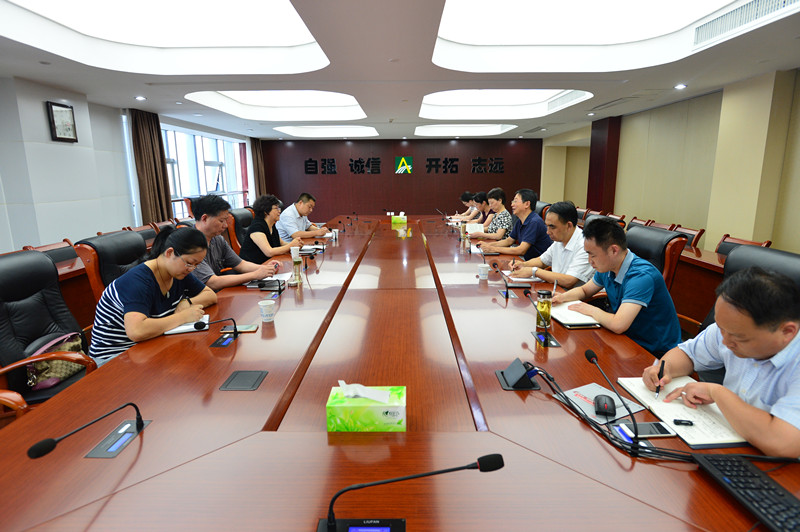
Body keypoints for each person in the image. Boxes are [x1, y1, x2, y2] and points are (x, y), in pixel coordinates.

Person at [642, 267, 800, 457]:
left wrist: (716, 392)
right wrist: (664, 368)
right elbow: (687, 354)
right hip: (730, 443)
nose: (725, 342)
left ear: (787, 332)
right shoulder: (730, 327)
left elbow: (783, 444)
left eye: (739, 338)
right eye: (721, 328)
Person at [552, 216, 680, 357]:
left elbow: (619, 325)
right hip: (625, 340)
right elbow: (584, 290)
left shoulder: (641, 276)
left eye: (592, 255)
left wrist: (589, 309)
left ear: (614, 250)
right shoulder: (608, 267)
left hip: (655, 352)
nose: (590, 261)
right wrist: (562, 297)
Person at [89, 226, 217, 365]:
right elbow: (137, 331)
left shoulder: (178, 273)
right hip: (114, 359)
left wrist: (187, 302)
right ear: (170, 253)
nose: (191, 269)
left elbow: (210, 295)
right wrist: (183, 317)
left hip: (149, 346)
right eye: (190, 263)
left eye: (196, 265)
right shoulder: (137, 281)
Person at [191, 195, 280, 291]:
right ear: (204, 218)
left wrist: (265, 268)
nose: (225, 225)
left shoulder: (218, 239)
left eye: (226, 220)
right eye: (221, 221)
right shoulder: (190, 243)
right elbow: (212, 282)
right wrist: (255, 274)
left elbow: (240, 264)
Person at [509, 201, 594, 289]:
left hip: (573, 295)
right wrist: (523, 265)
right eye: (547, 226)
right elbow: (542, 261)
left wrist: (534, 271)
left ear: (569, 226)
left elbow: (569, 281)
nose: (548, 232)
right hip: (556, 289)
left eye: (552, 227)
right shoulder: (560, 239)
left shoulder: (585, 245)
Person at [477, 189, 552, 260]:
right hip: (526, 260)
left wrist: (494, 249)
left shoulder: (534, 222)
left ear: (527, 204)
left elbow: (521, 250)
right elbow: (508, 241)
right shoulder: (520, 221)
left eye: (515, 201)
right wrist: (488, 245)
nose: (512, 204)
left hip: (536, 263)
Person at [239, 194, 301, 264]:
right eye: (276, 208)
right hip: (253, 267)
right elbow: (269, 252)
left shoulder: (271, 225)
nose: (279, 211)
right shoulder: (256, 228)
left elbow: (281, 243)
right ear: (266, 211)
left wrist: (296, 245)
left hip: (269, 263)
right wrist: (291, 245)